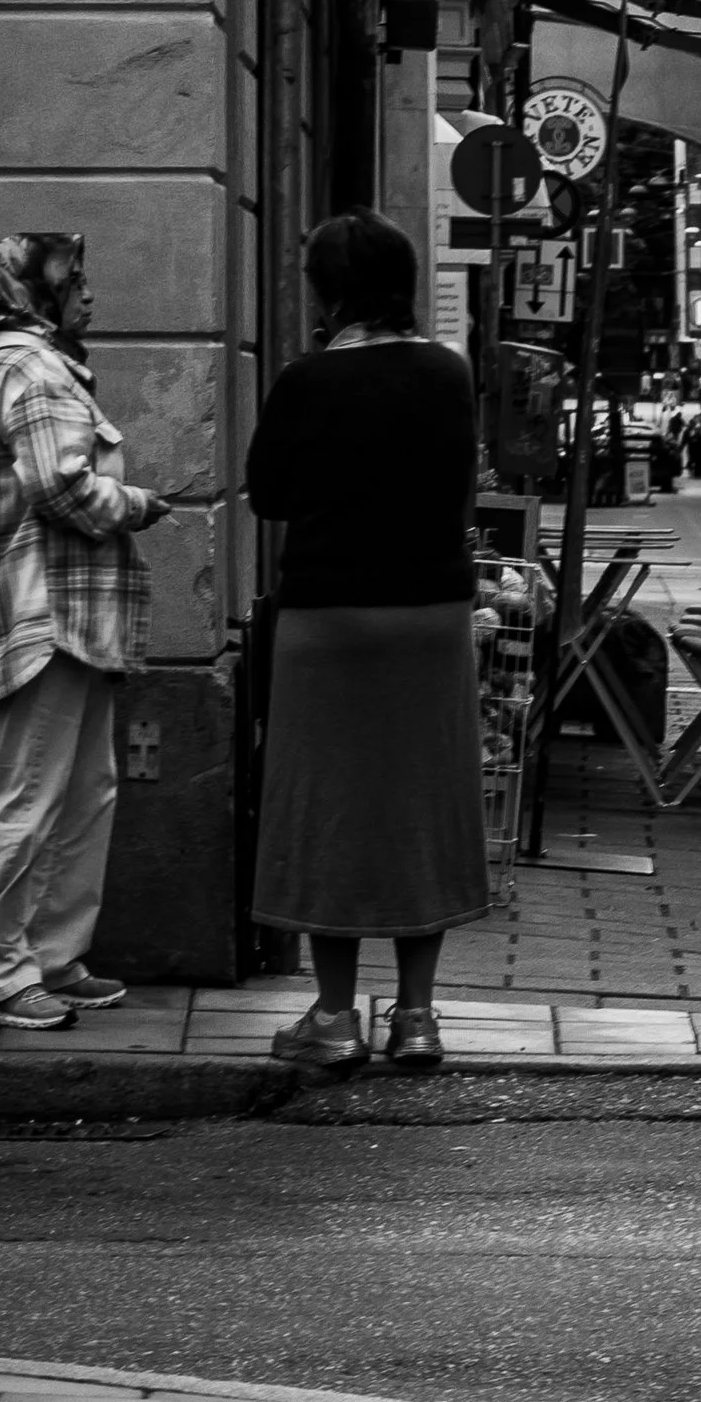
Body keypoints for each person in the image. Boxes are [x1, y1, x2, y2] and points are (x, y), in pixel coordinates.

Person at [244, 211, 490, 1077]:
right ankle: (418, 1015)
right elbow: (463, 485)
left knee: (332, 809)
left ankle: (336, 1016)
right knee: (421, 804)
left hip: (330, 621)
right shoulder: (447, 372)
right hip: (429, 618)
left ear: (329, 290)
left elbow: (267, 492)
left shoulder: (305, 380)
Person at [0, 233, 172, 1031]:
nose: (89, 295)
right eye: (75, 281)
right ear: (29, 292)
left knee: (83, 791)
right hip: (41, 612)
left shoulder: (35, 366)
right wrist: (137, 504)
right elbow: (60, 487)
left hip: (66, 615)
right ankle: (1, 973)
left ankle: (49, 956)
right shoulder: (29, 368)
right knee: (34, 794)